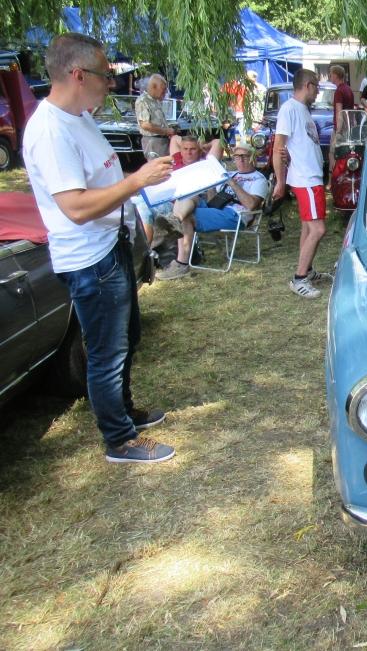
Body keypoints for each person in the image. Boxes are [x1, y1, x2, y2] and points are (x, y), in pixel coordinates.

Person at [21, 32, 176, 463]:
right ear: (78, 74)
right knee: (107, 351)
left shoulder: (80, 117)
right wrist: (136, 181)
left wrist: (140, 180)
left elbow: (102, 177)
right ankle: (119, 439)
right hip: (89, 259)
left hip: (111, 244)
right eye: (105, 76)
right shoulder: (50, 132)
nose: (111, 84)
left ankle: (124, 410)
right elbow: (75, 207)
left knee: (126, 337)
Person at [158, 142, 269, 279]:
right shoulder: (231, 173)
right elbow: (212, 200)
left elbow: (251, 205)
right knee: (187, 196)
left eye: (244, 156)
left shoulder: (258, 179)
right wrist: (211, 183)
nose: (240, 159)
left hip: (235, 215)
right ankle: (175, 220)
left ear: (253, 158)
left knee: (188, 217)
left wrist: (232, 183)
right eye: (237, 156)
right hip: (217, 209)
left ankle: (181, 264)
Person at [273, 69, 333, 298]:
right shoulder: (289, 109)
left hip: (311, 177)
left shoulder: (303, 110)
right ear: (308, 85)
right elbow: (278, 147)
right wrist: (280, 182)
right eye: (316, 86)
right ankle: (298, 278)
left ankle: (307, 270)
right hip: (305, 178)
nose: (317, 91)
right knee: (318, 229)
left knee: (308, 227)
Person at [136, 73, 175, 159]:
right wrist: (166, 131)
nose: (165, 92)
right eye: (163, 89)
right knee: (159, 165)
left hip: (161, 140)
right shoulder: (143, 101)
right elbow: (145, 125)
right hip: (153, 142)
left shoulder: (155, 100)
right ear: (154, 87)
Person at [329, 65, 355, 171]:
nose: (330, 76)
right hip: (349, 128)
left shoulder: (339, 91)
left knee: (333, 153)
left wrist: (338, 132)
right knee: (346, 155)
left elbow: (339, 113)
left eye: (331, 74)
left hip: (341, 129)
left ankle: (333, 177)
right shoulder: (349, 89)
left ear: (336, 75)